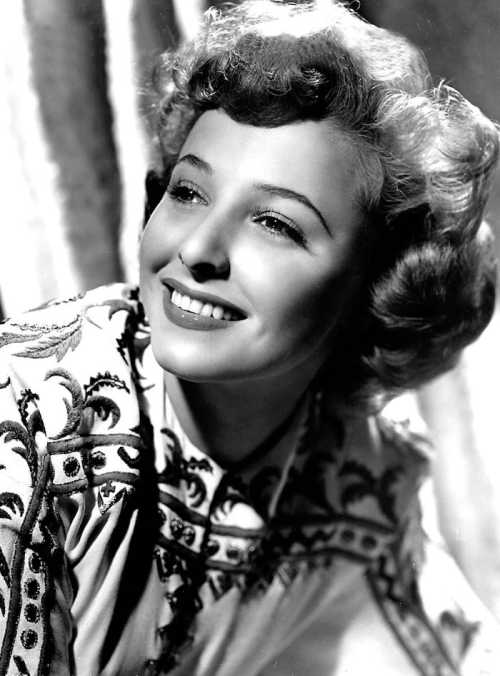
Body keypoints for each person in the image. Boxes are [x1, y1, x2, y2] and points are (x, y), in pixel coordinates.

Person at [0, 1, 498, 674]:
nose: (199, 249)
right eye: (188, 193)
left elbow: (455, 657)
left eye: (274, 223)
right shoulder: (30, 423)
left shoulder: (363, 468)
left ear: (376, 284)